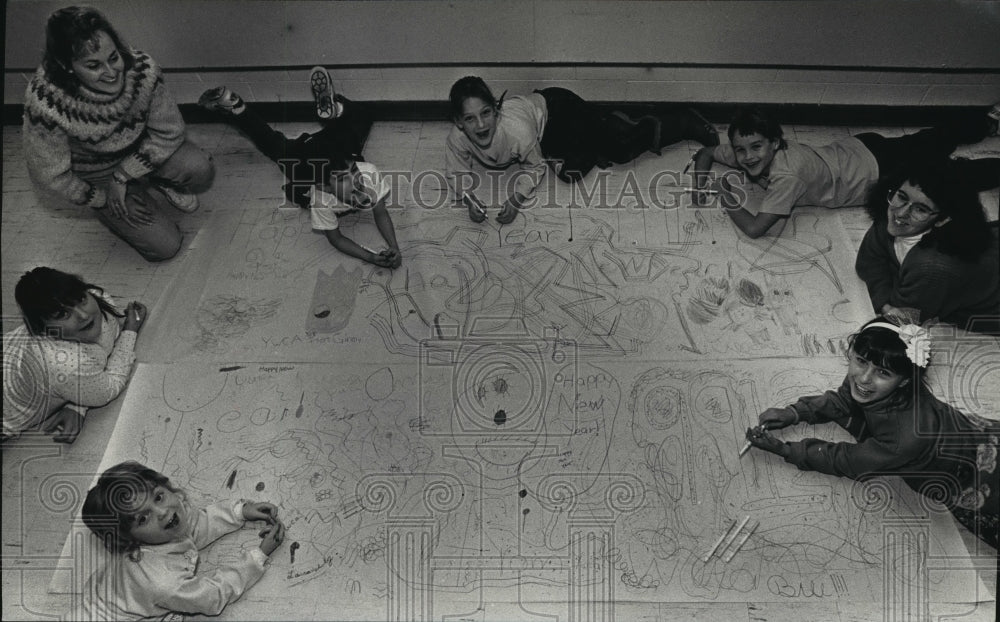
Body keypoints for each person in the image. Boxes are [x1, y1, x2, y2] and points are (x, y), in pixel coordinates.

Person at [745, 319, 998, 549]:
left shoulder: (905, 438)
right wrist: (795, 413)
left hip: (969, 476)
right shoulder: (869, 383)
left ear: (904, 381)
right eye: (860, 361)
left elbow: (848, 460)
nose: (864, 378)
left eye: (883, 373)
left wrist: (786, 450)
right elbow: (844, 400)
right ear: (853, 354)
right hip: (971, 434)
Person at [22, 6, 215, 261]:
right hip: (94, 174)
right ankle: (120, 207)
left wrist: (124, 176)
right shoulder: (45, 102)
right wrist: (101, 198)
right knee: (166, 246)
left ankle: (157, 180)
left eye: (113, 57)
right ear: (66, 66)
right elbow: (50, 175)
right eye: (93, 65)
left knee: (200, 169)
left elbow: (170, 132)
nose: (112, 72)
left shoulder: (142, 71)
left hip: (139, 149)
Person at [691, 105, 1000, 238]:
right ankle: (987, 122)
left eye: (756, 147)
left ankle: (989, 127)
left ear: (775, 143)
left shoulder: (788, 176)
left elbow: (757, 229)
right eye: (740, 149)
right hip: (861, 147)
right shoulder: (746, 149)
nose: (746, 157)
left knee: (956, 178)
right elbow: (705, 152)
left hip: (878, 173)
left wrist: (726, 196)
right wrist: (697, 186)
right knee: (931, 139)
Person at [198, 67, 402, 269]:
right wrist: (370, 257)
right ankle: (238, 108)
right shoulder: (320, 199)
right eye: (346, 186)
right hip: (304, 155)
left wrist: (394, 246)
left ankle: (336, 110)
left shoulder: (368, 172)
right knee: (274, 145)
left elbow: (380, 213)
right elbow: (337, 239)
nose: (359, 188)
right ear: (326, 188)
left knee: (360, 121)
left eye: (357, 178)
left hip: (342, 149)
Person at [445, 76, 720, 224]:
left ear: (496, 110)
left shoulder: (516, 130)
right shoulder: (457, 138)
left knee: (620, 150)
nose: (481, 124)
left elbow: (536, 166)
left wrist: (516, 200)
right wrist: (469, 201)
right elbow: (456, 172)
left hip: (559, 110)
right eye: (469, 118)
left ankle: (683, 120)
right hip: (546, 137)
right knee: (571, 172)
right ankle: (602, 130)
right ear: (458, 122)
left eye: (486, 113)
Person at [67, 461, 285, 620]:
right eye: (143, 518)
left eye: (159, 497)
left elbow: (195, 526)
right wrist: (257, 557)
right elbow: (213, 597)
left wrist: (240, 512)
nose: (162, 512)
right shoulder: (163, 582)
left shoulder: (165, 528)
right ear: (128, 540)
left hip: (106, 596)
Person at [2, 267, 146, 443]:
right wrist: (130, 331)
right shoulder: (65, 364)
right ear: (42, 329)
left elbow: (87, 375)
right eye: (62, 314)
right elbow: (110, 386)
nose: (83, 315)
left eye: (81, 299)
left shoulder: (98, 297)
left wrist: (78, 401)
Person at [855, 158, 999, 333]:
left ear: (943, 220)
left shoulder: (932, 266)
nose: (900, 213)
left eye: (920, 209)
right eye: (902, 196)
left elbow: (906, 317)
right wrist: (886, 303)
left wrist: (886, 303)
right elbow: (868, 260)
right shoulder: (891, 211)